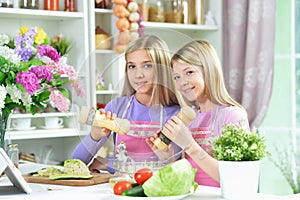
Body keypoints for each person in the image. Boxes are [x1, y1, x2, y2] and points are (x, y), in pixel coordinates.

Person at [72, 35, 181, 173]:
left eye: (147, 65)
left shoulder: (176, 115)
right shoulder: (117, 107)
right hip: (120, 189)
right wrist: (94, 135)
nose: (138, 75)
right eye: (132, 66)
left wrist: (109, 164)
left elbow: (172, 169)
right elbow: (76, 162)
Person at [159, 40, 250, 187]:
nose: (182, 83)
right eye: (177, 77)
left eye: (189, 72)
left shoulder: (233, 116)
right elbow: (186, 175)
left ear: (209, 70)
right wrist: (167, 157)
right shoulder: (191, 118)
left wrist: (190, 145)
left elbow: (235, 179)